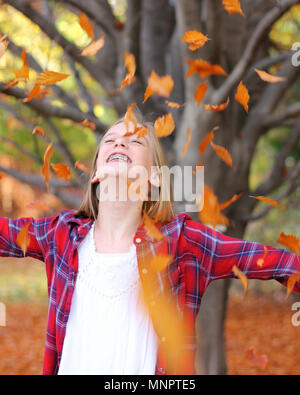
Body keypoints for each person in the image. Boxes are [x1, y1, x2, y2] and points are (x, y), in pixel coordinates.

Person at [0, 114, 299, 375]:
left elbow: (275, 262)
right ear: (95, 173)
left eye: (135, 142)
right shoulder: (61, 235)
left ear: (155, 176)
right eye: (111, 140)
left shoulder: (182, 243)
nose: (119, 143)